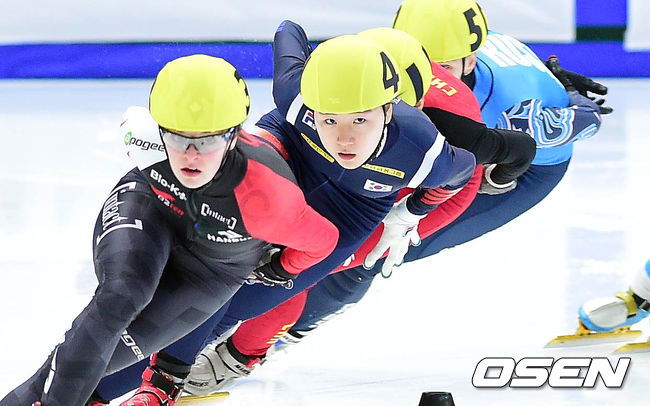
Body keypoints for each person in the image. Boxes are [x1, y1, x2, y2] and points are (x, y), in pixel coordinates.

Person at [181, 0, 610, 393]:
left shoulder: (464, 122)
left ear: (471, 58)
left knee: (355, 262)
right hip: (431, 155)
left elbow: (524, 150)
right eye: (426, 58)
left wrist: (501, 171)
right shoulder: (375, 64)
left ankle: (245, 351)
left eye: (444, 64)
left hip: (489, 172)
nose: (438, 71)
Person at [83, 20, 478, 404]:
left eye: (362, 119)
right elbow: (289, 29)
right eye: (330, 116)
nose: (345, 138)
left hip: (348, 211)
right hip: (290, 154)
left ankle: (149, 379)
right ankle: (101, 388)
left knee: (236, 305)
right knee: (204, 287)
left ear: (395, 111)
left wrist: (410, 212)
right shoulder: (296, 94)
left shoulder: (426, 147)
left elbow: (473, 173)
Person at [0, 54, 340, 406]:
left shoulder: (269, 198)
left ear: (234, 136)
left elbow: (325, 241)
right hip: (150, 211)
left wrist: (282, 267)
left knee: (100, 359)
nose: (191, 155)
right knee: (120, 298)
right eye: (177, 138)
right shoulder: (142, 136)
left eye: (207, 140)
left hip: (210, 273)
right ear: (159, 129)